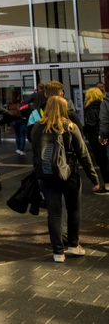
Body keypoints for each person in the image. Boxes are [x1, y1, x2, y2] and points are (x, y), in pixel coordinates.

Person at [30, 96, 100, 263]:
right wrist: (94, 178)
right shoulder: (70, 127)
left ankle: (58, 252)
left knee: (54, 213)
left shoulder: (37, 127)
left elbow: (35, 153)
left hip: (47, 175)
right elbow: (83, 154)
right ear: (64, 108)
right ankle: (73, 245)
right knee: (74, 209)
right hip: (70, 174)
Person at [84, 88, 109, 195]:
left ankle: (107, 186)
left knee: (102, 162)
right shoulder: (105, 105)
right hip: (106, 136)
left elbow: (91, 124)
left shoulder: (90, 108)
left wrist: (83, 130)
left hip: (97, 138)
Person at [7, 91, 28, 155]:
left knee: (17, 135)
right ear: (18, 97)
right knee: (22, 135)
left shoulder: (10, 104)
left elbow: (7, 114)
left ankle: (18, 148)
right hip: (21, 120)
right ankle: (21, 150)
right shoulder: (21, 103)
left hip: (14, 121)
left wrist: (8, 124)